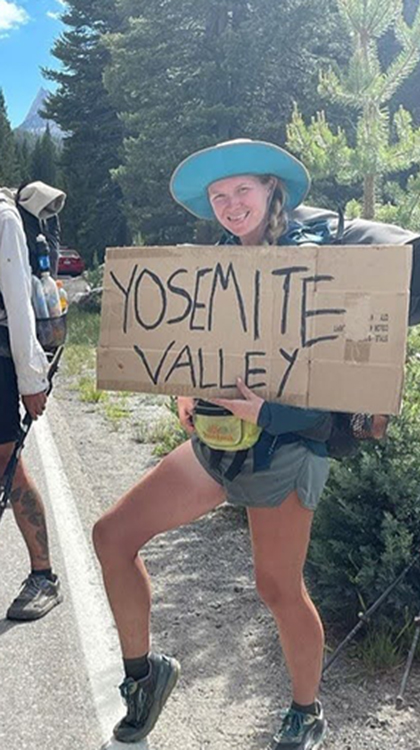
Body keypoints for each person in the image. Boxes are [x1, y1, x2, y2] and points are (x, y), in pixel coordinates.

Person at [93, 139, 335, 749]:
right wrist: (184, 388)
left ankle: (307, 713)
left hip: (284, 451)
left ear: (271, 190)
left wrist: (270, 408)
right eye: (220, 197)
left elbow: (336, 379)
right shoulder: (215, 262)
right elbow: (203, 347)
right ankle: (143, 679)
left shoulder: (311, 261)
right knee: (112, 536)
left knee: (277, 586)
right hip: (217, 443)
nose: (230, 205)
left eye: (242, 191)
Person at [0, 185, 64, 620]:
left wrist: (31, 380)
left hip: (1, 357)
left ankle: (44, 576)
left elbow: (20, 306)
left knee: (7, 461)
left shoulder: (3, 218)